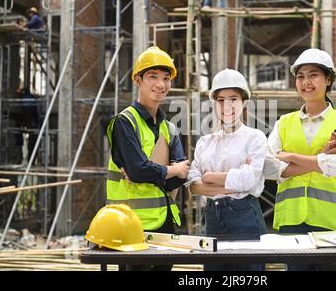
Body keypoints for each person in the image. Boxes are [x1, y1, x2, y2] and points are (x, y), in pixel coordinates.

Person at [265, 48, 336, 271]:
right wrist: (320, 159)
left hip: (333, 222)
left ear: (328, 79)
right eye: (300, 76)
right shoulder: (284, 123)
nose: (306, 82)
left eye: (313, 75)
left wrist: (291, 158)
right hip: (292, 222)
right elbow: (268, 168)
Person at [106, 46, 190, 271]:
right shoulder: (124, 122)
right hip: (131, 227)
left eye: (166, 78)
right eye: (153, 77)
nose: (161, 84)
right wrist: (169, 170)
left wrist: (155, 171)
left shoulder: (170, 128)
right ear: (138, 80)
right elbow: (138, 170)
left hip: (165, 226)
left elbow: (179, 177)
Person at [186, 69, 267, 271]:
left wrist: (210, 177)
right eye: (221, 100)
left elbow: (248, 180)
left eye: (233, 99)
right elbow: (194, 185)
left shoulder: (255, 138)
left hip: (245, 217)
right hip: (212, 218)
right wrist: (234, 185)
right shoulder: (205, 142)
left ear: (244, 102)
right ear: (214, 103)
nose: (227, 105)